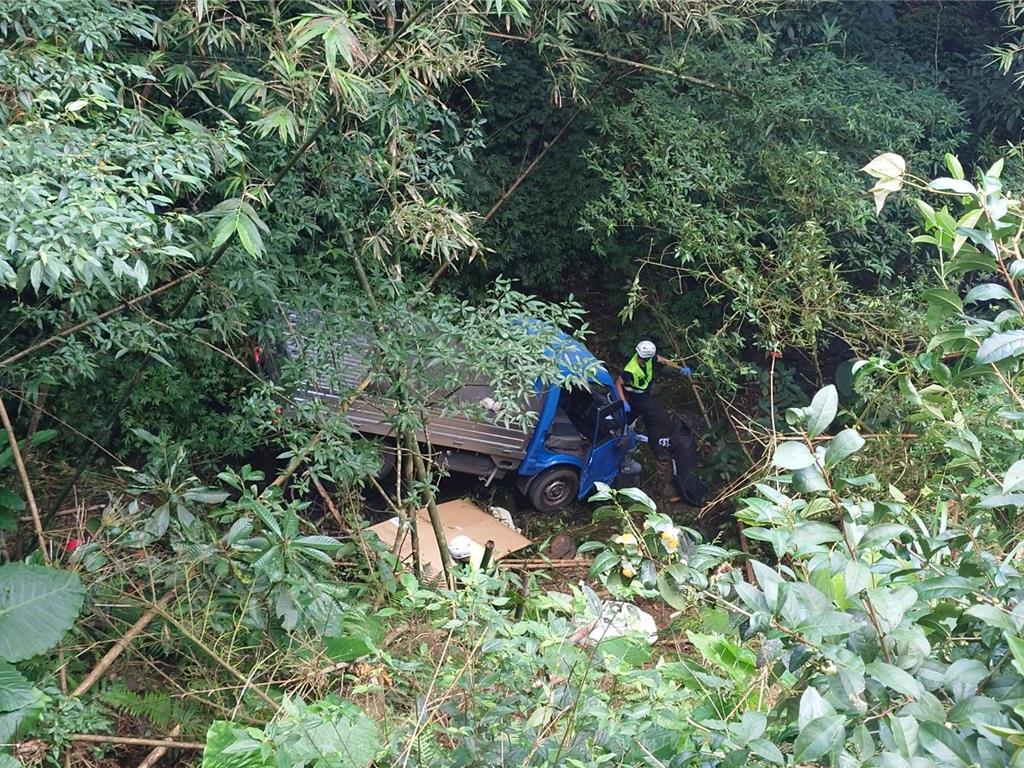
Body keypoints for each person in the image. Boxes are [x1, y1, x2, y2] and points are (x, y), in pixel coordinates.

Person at [614, 340, 692, 500]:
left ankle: (622, 428)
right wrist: (623, 402)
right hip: (636, 396)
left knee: (631, 417)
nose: (642, 360)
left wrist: (680, 369)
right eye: (641, 357)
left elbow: (663, 360)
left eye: (645, 358)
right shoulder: (631, 369)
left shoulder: (649, 358)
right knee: (655, 418)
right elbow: (618, 383)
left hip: (644, 393)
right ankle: (656, 447)